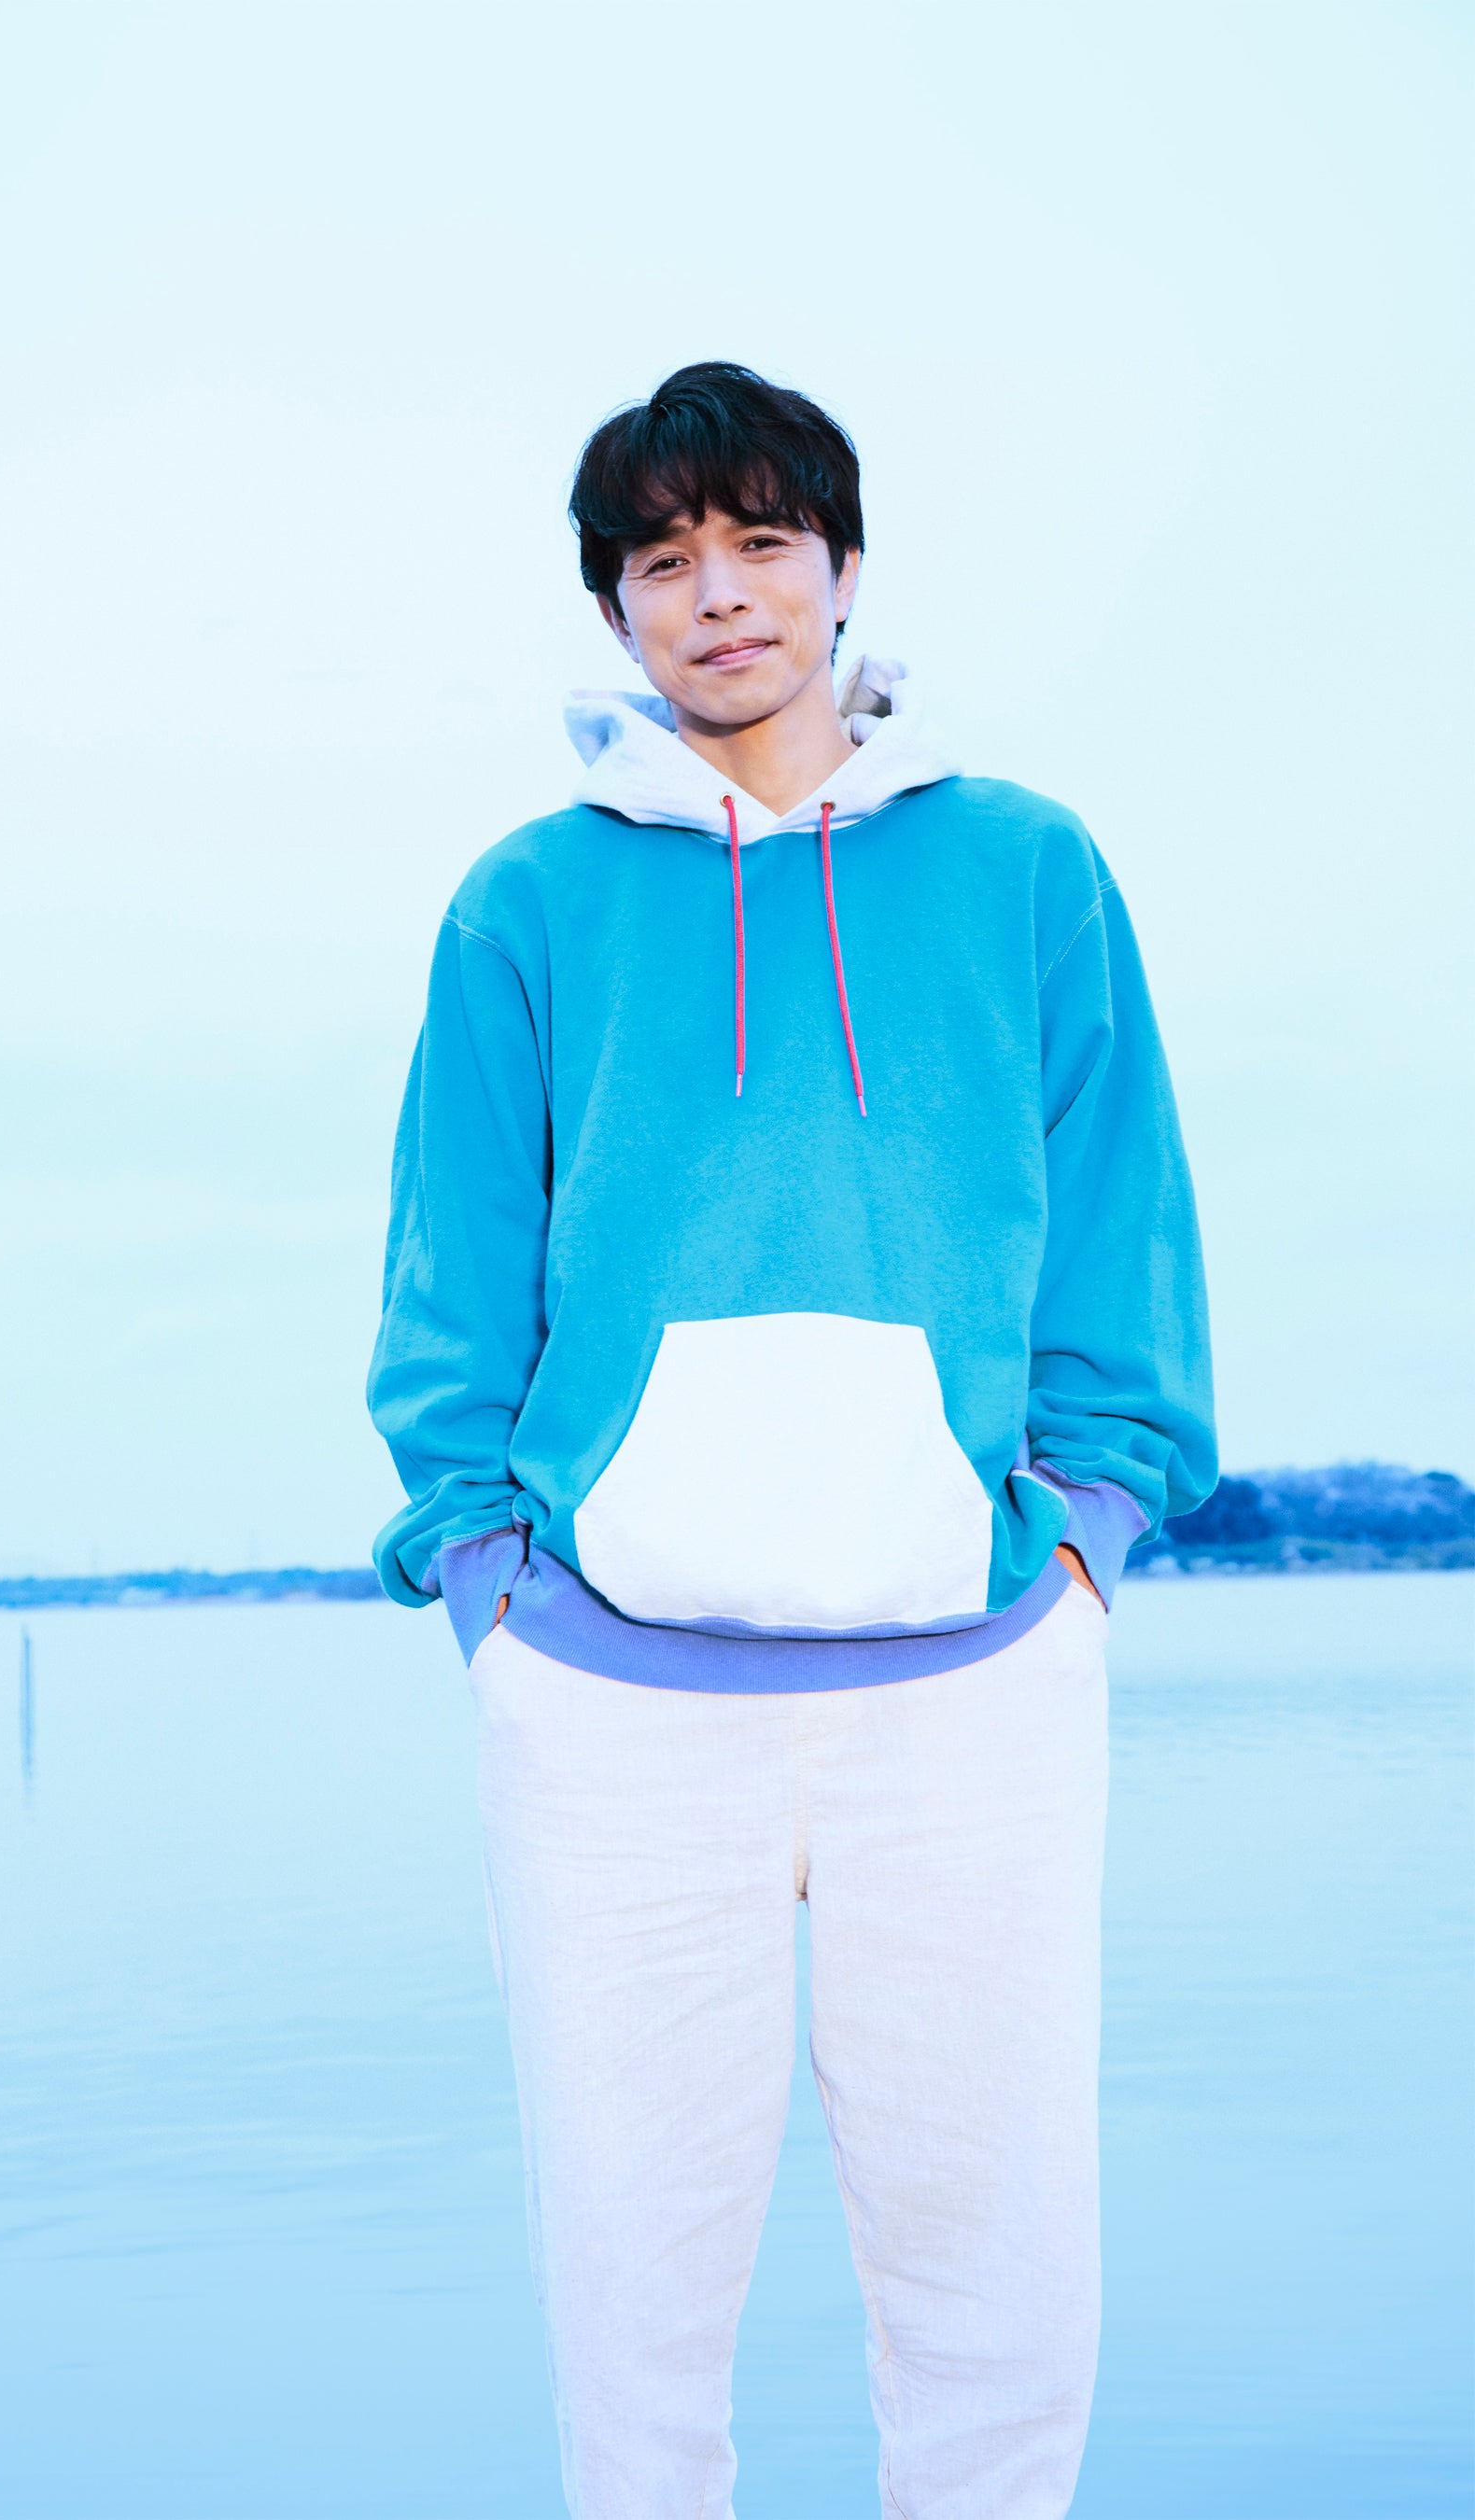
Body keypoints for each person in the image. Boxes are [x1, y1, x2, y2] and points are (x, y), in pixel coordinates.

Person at [368, 360, 1215, 2520]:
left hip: (975, 1675)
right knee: (632, 2308)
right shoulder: (528, 903)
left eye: (761, 542)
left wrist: (1087, 1535)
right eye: (664, 562)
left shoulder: (1024, 867)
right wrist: (488, 1587)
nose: (720, 594)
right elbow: (452, 1287)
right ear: (617, 611)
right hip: (612, 1697)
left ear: (842, 567)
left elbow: (1119, 1231)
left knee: (999, 2285)